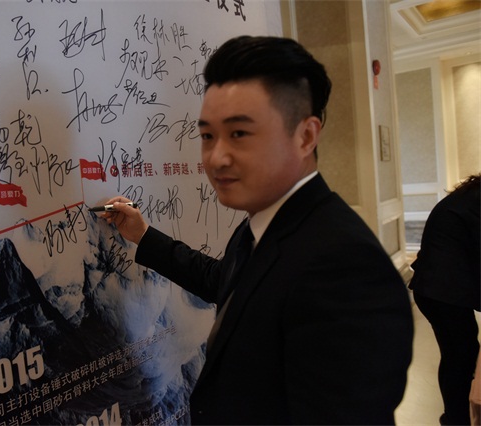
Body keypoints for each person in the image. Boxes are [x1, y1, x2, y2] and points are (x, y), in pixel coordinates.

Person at [99, 35, 414, 424]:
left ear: (306, 136)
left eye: (239, 134)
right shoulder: (265, 223)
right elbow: (226, 281)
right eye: (207, 136)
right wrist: (144, 235)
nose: (216, 157)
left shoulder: (345, 266)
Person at [409, 174, 480, 425]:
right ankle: (455, 418)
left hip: (435, 287)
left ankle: (454, 416)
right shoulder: (474, 203)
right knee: (460, 355)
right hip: (441, 290)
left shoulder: (469, 198)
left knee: (460, 353)